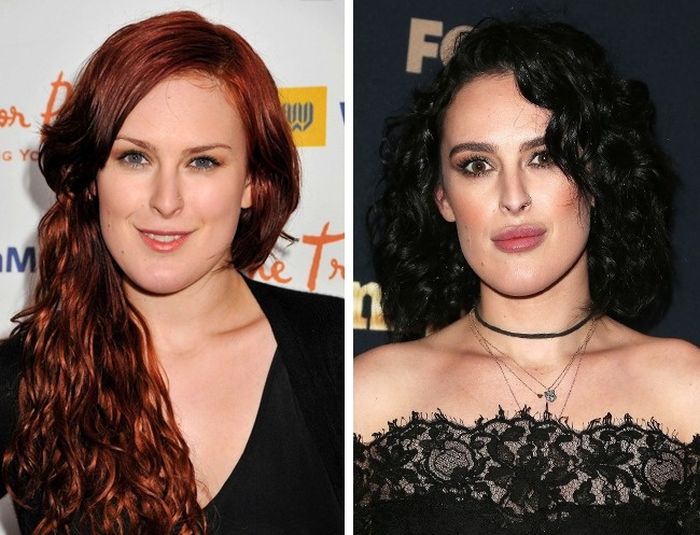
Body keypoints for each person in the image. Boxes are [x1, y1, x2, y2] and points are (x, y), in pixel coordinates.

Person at [0, 11, 342, 534]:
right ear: (92, 177)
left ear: (252, 182)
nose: (166, 201)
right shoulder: (25, 377)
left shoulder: (338, 354)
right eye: (135, 158)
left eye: (202, 162)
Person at [354, 19, 699, 534]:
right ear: (442, 197)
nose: (513, 198)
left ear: (595, 175)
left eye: (544, 157)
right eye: (477, 165)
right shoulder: (368, 399)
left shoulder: (688, 390)